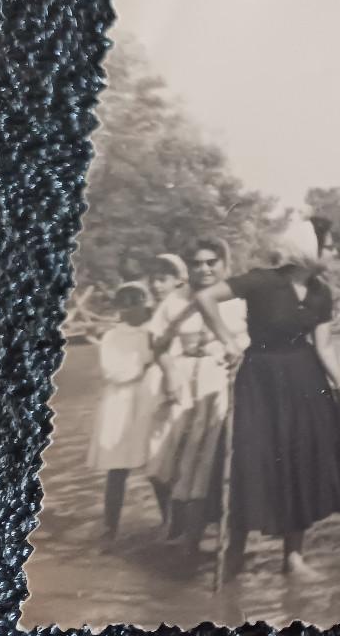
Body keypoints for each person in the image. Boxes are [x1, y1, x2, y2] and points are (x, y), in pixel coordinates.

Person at [192, 216, 340, 580]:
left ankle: (293, 558)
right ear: (307, 247)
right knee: (250, 460)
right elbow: (205, 297)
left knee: (300, 463)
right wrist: (227, 339)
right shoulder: (262, 281)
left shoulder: (321, 292)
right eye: (329, 245)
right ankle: (234, 554)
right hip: (260, 381)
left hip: (305, 382)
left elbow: (323, 348)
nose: (334, 251)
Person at [156, 237, 250, 553]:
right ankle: (179, 529)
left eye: (212, 262)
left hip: (224, 379)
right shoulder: (174, 301)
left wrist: (238, 354)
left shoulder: (238, 299)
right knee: (181, 455)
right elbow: (159, 344)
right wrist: (169, 372)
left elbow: (254, 340)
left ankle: (208, 534)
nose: (205, 269)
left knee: (211, 453)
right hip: (185, 381)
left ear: (224, 264)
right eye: (197, 263)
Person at [87, 282, 157, 541]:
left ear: (146, 302)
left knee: (157, 464)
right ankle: (110, 526)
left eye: (136, 300)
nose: (131, 307)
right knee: (117, 469)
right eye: (125, 302)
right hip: (120, 404)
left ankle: (170, 522)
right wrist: (146, 362)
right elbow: (113, 372)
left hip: (150, 399)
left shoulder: (155, 331)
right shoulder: (112, 337)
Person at [143, 253, 192, 526]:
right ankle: (170, 521)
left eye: (163, 279)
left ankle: (180, 523)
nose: (156, 285)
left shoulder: (185, 306)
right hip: (155, 392)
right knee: (157, 460)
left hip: (179, 387)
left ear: (178, 281)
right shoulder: (155, 312)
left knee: (175, 457)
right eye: (153, 280)